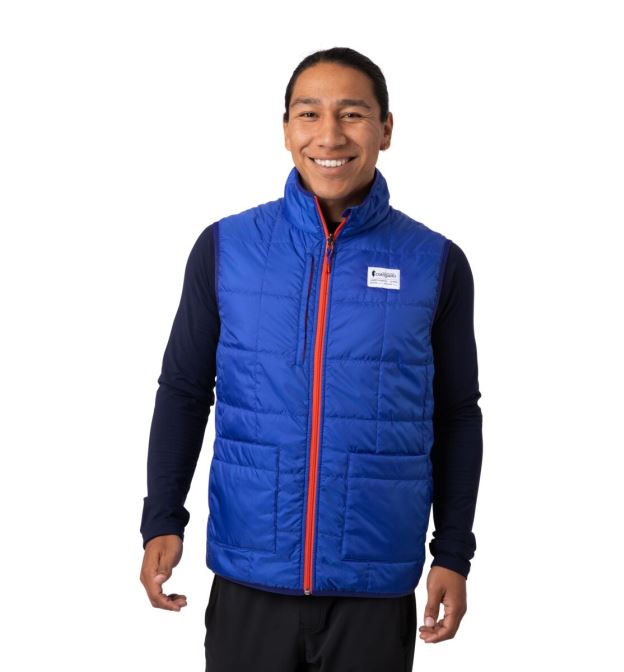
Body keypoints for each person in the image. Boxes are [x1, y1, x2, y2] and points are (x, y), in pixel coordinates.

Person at [139, 46, 483, 671]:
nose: (330, 135)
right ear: (285, 129)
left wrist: (453, 553)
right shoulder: (226, 248)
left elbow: (457, 414)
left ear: (385, 129)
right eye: (309, 114)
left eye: (352, 114)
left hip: (373, 587)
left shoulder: (435, 262)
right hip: (250, 576)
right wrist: (162, 517)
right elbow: (184, 390)